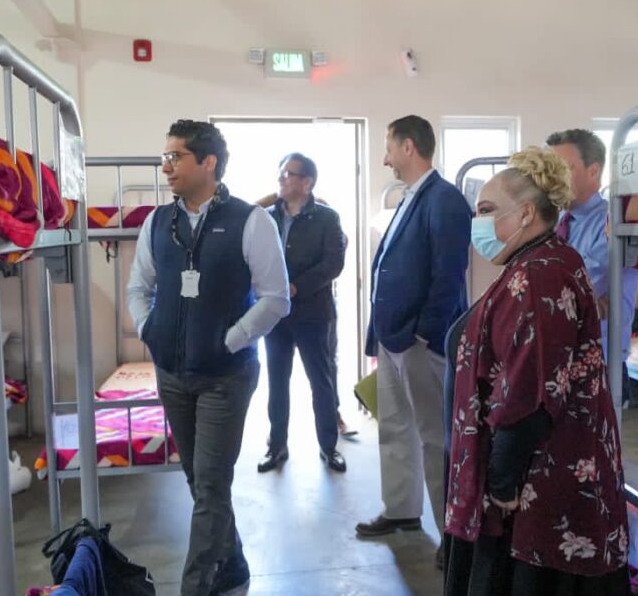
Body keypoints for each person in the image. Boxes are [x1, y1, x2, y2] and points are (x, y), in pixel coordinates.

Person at [443, 146, 629, 595]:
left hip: (538, 482)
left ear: (526, 213)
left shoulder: (540, 275)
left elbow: (530, 392)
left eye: (487, 211)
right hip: (540, 470)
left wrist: (503, 484)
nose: (478, 222)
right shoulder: (539, 262)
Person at [127, 119, 290, 596]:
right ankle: (233, 564)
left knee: (212, 487)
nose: (166, 167)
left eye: (175, 157)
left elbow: (276, 298)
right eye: (166, 156)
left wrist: (231, 340)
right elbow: (139, 287)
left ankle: (196, 587)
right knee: (200, 481)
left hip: (226, 376)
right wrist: (149, 330)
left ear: (208, 162)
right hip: (173, 374)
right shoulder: (159, 222)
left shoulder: (249, 221)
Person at [357, 115, 472, 563]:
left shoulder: (445, 201)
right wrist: (379, 336)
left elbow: (448, 277)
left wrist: (424, 334)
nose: (385, 158)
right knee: (394, 428)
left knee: (435, 437)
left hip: (419, 342)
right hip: (393, 338)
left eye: (388, 147)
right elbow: (388, 267)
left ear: (408, 147)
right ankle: (402, 510)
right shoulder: (409, 198)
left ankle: (452, 533)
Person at [258, 152, 349, 474]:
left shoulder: (327, 218)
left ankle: (329, 448)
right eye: (280, 173)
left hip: (313, 313)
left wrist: (297, 287)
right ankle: (276, 447)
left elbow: (333, 264)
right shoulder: (266, 217)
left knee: (321, 382)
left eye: (288, 174)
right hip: (275, 316)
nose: (281, 179)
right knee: (277, 383)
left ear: (306, 182)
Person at [546, 129, 638, 405]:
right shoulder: (556, 221)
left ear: (593, 171)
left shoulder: (614, 222)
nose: (554, 178)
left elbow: (569, 287)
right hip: (560, 356)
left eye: (564, 169)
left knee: (594, 446)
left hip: (599, 359)